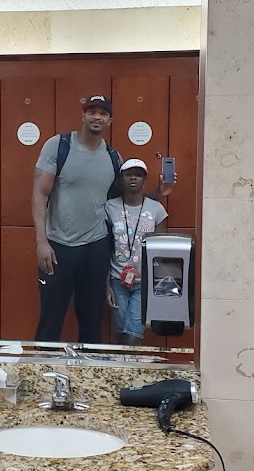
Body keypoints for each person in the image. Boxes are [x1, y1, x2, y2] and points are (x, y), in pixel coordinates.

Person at [32, 95, 173, 343]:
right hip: (58, 246)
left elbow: (128, 203)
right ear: (83, 116)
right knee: (50, 320)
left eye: (103, 113)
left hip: (96, 248)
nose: (97, 117)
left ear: (110, 120)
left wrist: (158, 194)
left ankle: (88, 368)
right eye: (92, 111)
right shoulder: (59, 146)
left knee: (91, 322)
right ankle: (44, 366)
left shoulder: (113, 157)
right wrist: (41, 242)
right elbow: (39, 193)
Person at [105, 158, 167, 345]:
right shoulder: (110, 207)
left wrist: (158, 287)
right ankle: (122, 365)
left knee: (133, 335)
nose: (133, 178)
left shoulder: (156, 209)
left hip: (144, 283)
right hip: (117, 280)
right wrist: (106, 285)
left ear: (145, 180)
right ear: (121, 179)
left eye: (138, 175)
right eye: (129, 175)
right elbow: (104, 248)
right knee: (120, 334)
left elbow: (160, 252)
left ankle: (129, 363)